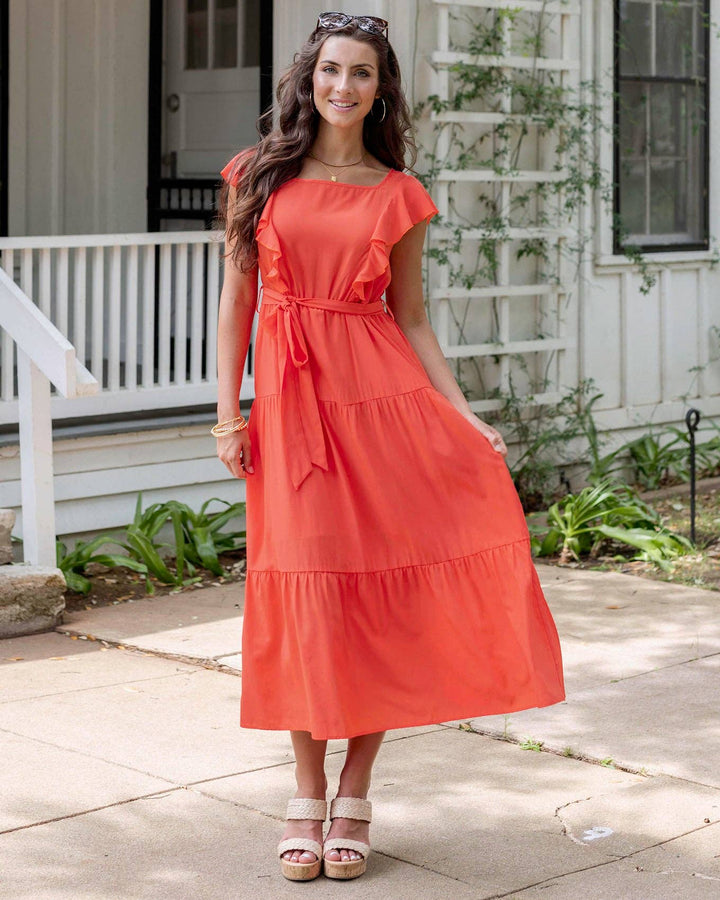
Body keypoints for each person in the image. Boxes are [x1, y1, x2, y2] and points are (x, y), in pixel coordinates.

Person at [215, 11, 565, 883]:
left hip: (381, 405)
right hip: (294, 412)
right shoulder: (256, 176)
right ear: (311, 76)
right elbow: (236, 302)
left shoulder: (396, 193)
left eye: (363, 73)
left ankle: (356, 788)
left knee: (378, 592)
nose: (344, 86)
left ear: (381, 89)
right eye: (332, 69)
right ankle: (305, 787)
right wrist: (229, 415)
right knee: (304, 594)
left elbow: (409, 317)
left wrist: (461, 415)